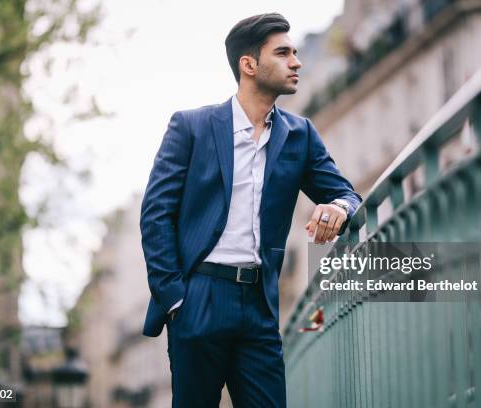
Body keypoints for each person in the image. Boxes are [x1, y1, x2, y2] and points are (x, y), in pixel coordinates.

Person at [140, 13, 362, 408]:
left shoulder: (300, 134)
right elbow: (155, 214)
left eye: (295, 52)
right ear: (249, 64)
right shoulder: (191, 127)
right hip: (199, 297)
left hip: (259, 303)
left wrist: (338, 207)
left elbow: (347, 194)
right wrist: (175, 298)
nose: (296, 62)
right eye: (283, 53)